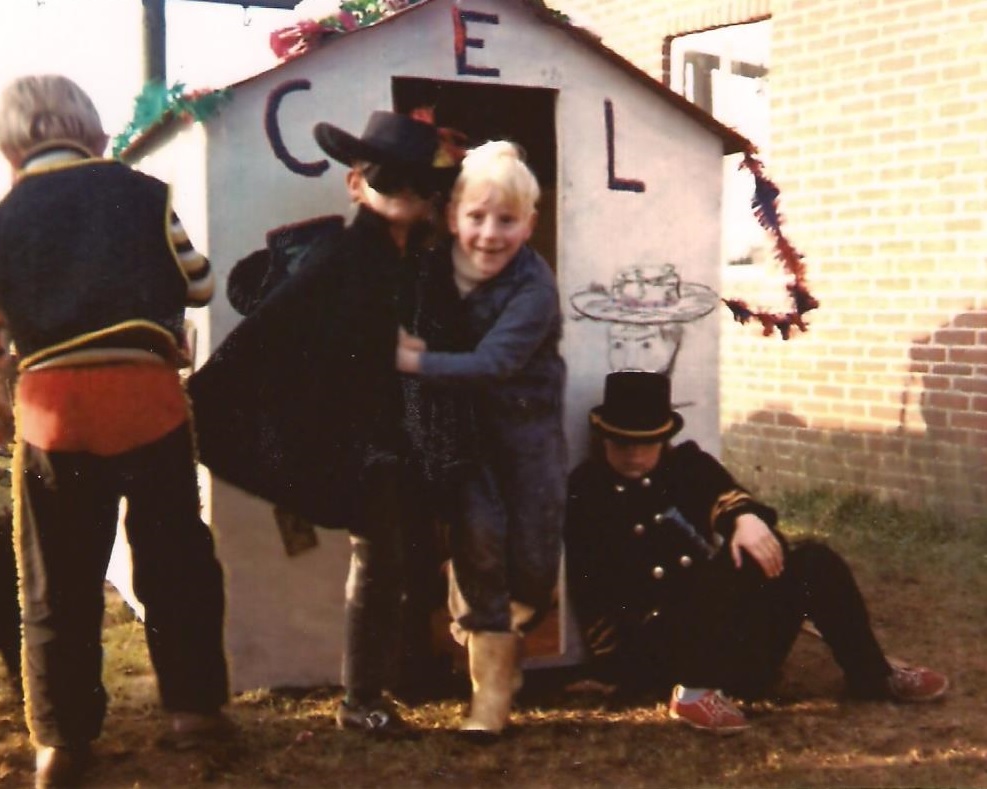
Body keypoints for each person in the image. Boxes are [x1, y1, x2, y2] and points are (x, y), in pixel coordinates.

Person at [0, 74, 230, 787]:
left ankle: (62, 738)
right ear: (97, 135)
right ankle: (195, 712)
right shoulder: (144, 195)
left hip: (55, 414)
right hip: (147, 400)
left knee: (57, 578)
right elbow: (198, 283)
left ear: (10, 151)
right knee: (175, 561)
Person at [188, 110, 470, 738]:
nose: (402, 194)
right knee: (381, 561)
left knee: (395, 559)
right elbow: (273, 337)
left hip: (394, 434)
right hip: (361, 438)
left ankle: (382, 685)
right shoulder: (345, 257)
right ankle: (363, 698)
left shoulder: (412, 261)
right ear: (354, 185)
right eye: (386, 180)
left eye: (417, 185)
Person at [564, 371, 949, 735]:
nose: (633, 454)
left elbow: (722, 495)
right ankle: (695, 694)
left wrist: (745, 518)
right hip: (662, 653)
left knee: (813, 559)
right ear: (603, 440)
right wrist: (613, 668)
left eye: (645, 442)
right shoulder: (587, 489)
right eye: (622, 443)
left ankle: (873, 674)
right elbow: (588, 585)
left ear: (663, 439)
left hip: (727, 640)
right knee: (731, 567)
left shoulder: (685, 466)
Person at [397, 141, 567, 737]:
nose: (489, 234)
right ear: (452, 217)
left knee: (535, 563)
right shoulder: (433, 267)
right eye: (476, 217)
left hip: (526, 433)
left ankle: (499, 633)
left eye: (507, 221)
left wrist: (415, 364)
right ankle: (489, 696)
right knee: (479, 541)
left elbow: (494, 362)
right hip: (464, 434)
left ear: (530, 224)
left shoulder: (534, 287)